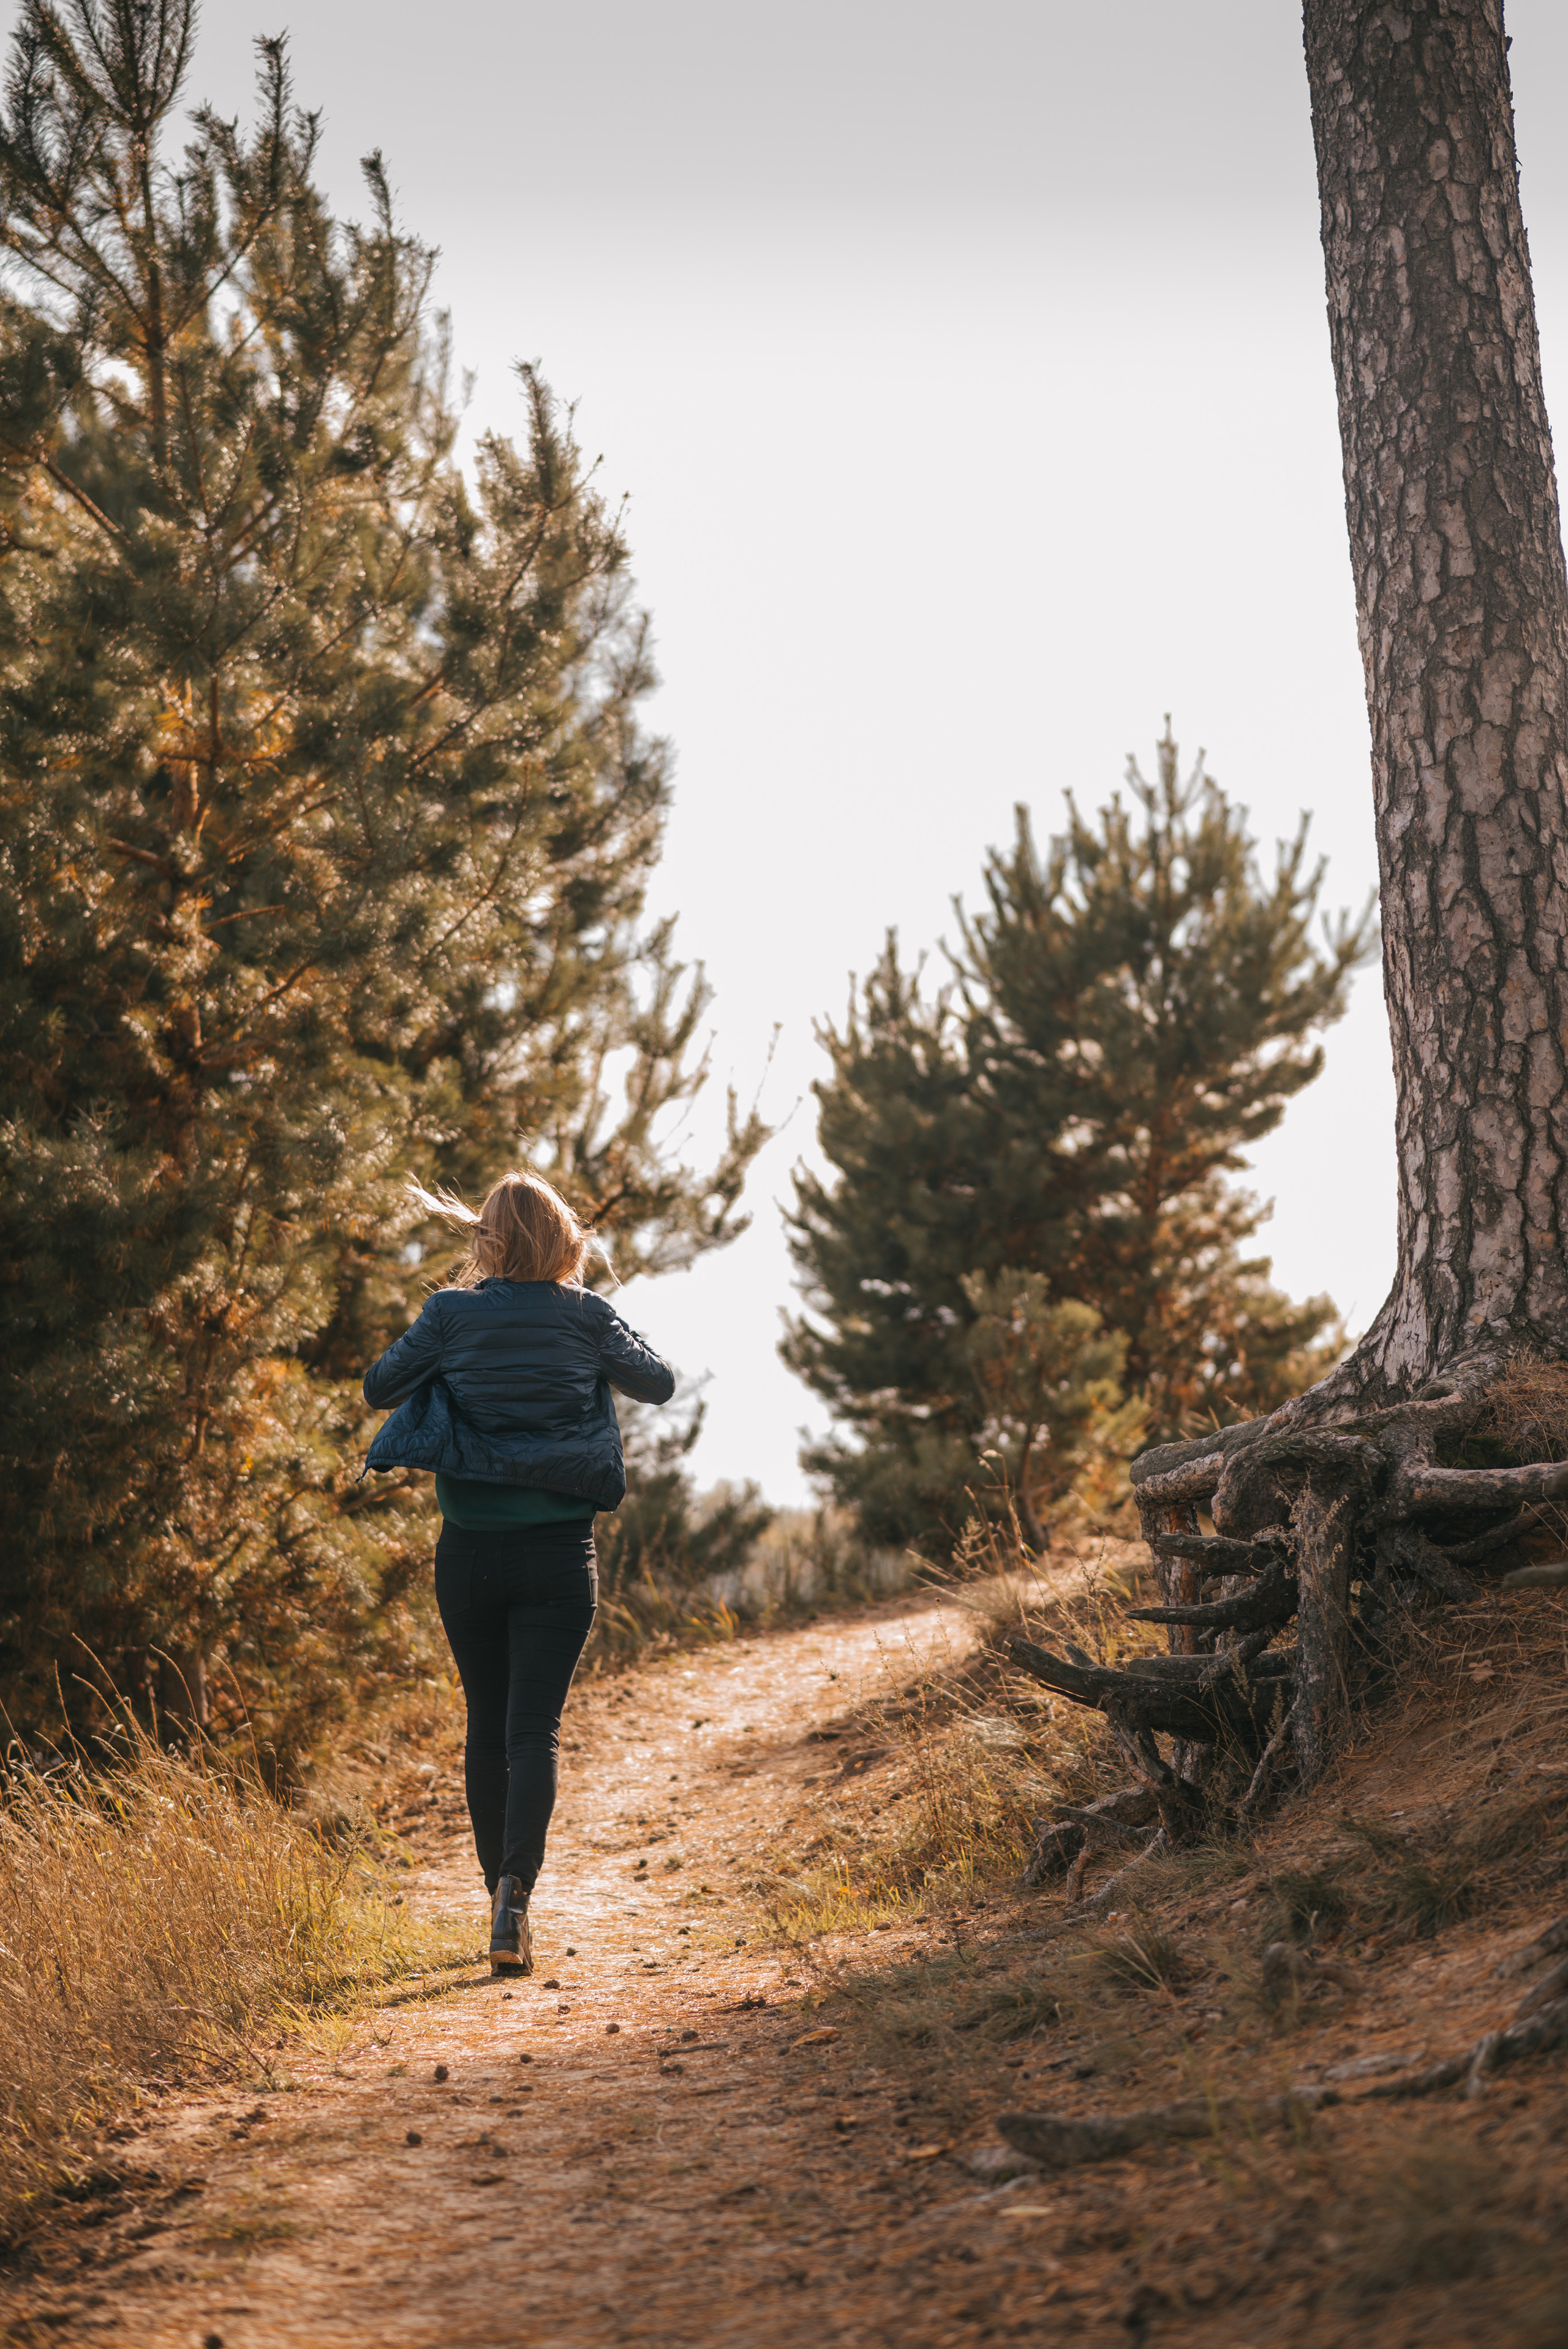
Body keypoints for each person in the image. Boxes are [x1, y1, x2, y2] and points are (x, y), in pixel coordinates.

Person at [361, 1171, 674, 1974]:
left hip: (468, 1553)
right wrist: (592, 1328)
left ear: (487, 1241)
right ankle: (517, 1899)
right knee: (534, 1732)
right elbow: (658, 1382)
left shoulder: (449, 1314)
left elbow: (380, 1387)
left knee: (485, 1727)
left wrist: (454, 1356)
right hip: (559, 1559)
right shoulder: (587, 1315)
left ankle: (497, 1903)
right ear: (564, 1238)